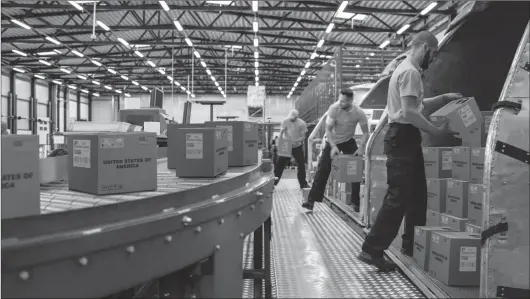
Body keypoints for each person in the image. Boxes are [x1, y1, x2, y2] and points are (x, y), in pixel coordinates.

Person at [357, 31, 463, 271]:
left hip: (406, 138)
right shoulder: (410, 72)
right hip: (402, 137)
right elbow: (409, 113)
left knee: (417, 195)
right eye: (433, 54)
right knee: (398, 198)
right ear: (424, 48)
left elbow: (418, 105)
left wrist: (444, 98)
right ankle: (371, 250)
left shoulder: (407, 70)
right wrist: (437, 133)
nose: (432, 59)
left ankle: (413, 245)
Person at [302, 89, 370, 212]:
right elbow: (328, 130)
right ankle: (310, 201)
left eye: (343, 101)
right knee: (322, 170)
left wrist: (361, 147)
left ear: (350, 101)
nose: (340, 103)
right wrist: (333, 146)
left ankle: (356, 202)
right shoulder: (334, 108)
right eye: (339, 100)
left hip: (349, 141)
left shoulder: (358, 112)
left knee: (355, 169)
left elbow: (366, 132)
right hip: (332, 141)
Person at [274, 110, 309, 189]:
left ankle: (302, 183)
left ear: (296, 118)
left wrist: (296, 141)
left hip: (297, 145)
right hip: (286, 144)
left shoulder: (302, 123)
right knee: (280, 164)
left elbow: (303, 137)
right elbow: (281, 132)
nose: (291, 120)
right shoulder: (285, 121)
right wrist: (281, 141)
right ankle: (273, 183)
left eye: (293, 119)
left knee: (301, 165)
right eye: (290, 118)